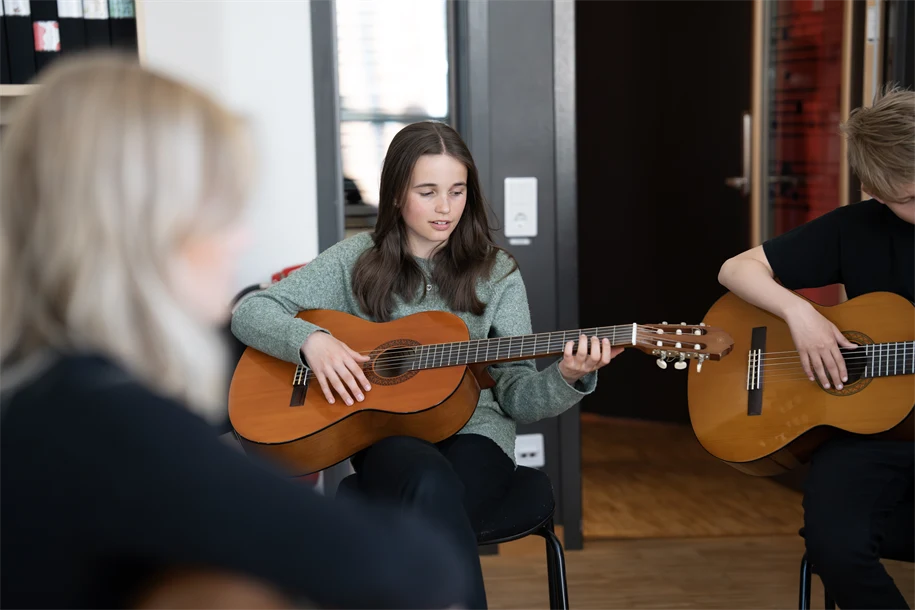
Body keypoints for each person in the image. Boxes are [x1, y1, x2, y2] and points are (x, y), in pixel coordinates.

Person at [0, 53, 470, 610]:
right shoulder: (106, 419)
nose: (241, 238)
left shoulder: (35, 389)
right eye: (219, 210)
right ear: (140, 227)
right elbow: (418, 569)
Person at [231, 120, 622, 609]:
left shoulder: (496, 273)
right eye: (428, 191)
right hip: (386, 436)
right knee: (428, 482)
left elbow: (517, 397)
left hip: (479, 437)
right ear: (396, 194)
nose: (445, 208)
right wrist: (311, 341)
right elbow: (250, 311)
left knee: (434, 495)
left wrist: (568, 376)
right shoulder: (355, 259)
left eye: (457, 191)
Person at [718, 86, 915, 610]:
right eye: (910, 200)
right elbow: (736, 268)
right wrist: (800, 313)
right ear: (875, 190)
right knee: (835, 544)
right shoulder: (857, 228)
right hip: (870, 435)